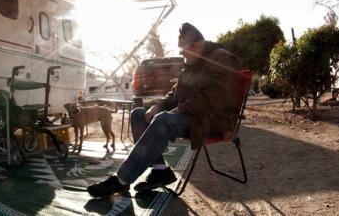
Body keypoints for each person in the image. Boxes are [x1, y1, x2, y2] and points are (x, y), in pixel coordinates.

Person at [87, 22, 239, 197]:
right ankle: (160, 170)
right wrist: (157, 106)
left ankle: (121, 180)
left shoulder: (220, 57)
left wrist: (177, 111)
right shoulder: (193, 63)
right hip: (193, 116)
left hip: (211, 120)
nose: (180, 53)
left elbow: (217, 98)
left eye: (183, 49)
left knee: (163, 120)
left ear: (195, 46)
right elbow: (174, 94)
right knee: (139, 114)